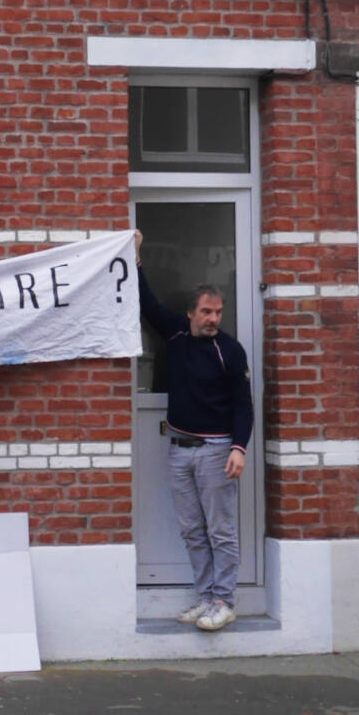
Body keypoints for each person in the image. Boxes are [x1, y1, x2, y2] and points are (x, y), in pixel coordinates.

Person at [134, 231, 253, 633]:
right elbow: (147, 303)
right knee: (191, 529)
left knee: (220, 530)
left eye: (218, 312)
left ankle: (224, 600)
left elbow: (244, 405)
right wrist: (134, 258)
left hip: (217, 451)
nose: (213, 319)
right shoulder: (177, 336)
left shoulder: (230, 350)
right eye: (206, 312)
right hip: (180, 449)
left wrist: (239, 448)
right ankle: (205, 598)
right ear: (190, 313)